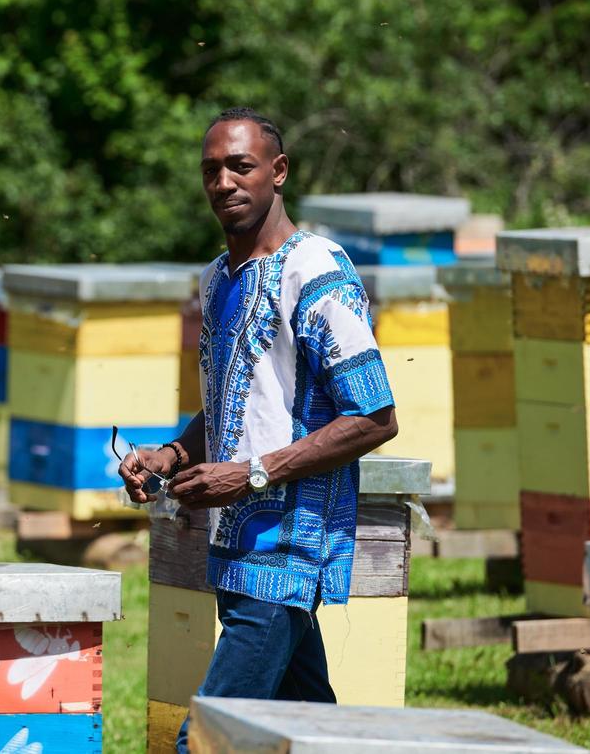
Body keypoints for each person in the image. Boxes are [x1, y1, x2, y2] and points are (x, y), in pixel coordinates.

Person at [119, 107, 400, 752]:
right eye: (211, 170)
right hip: (235, 550)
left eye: (240, 166)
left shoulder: (318, 271)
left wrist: (248, 474)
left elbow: (375, 416)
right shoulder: (217, 279)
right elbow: (231, 405)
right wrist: (169, 454)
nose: (224, 182)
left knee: (206, 739)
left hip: (288, 551)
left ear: (278, 173)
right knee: (310, 731)